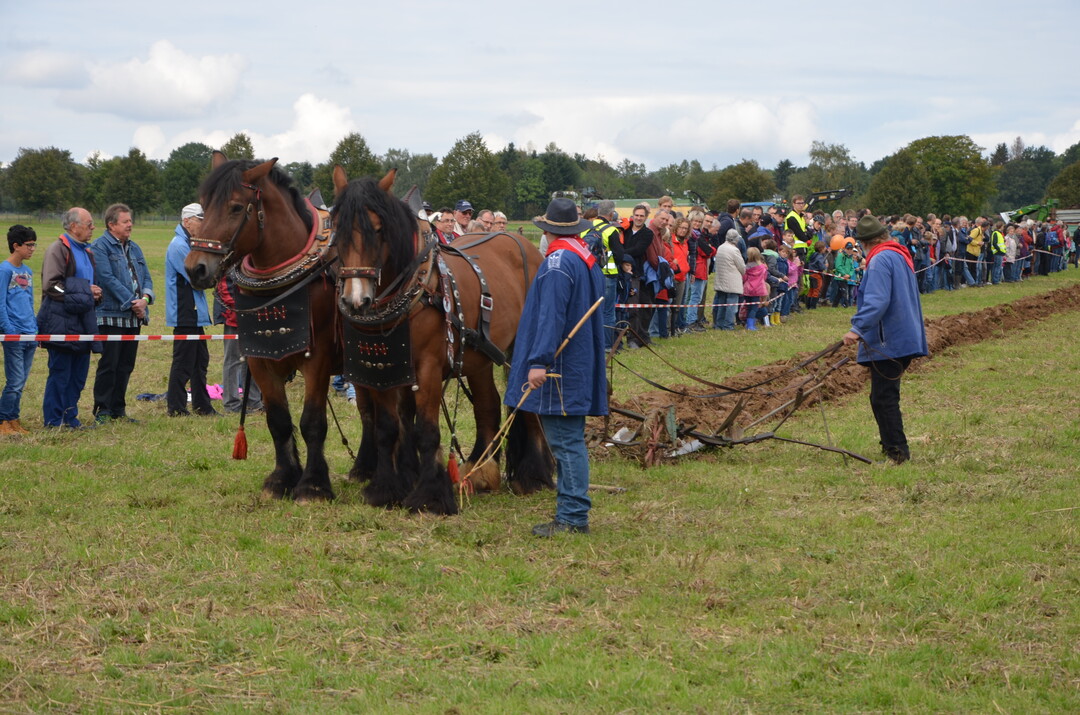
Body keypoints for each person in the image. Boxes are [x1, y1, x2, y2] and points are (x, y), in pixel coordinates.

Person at [506, 197, 606, 537]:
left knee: (564, 443)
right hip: (578, 362)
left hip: (560, 368)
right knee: (570, 440)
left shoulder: (557, 264)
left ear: (548, 230)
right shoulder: (584, 257)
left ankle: (573, 518)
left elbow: (550, 317)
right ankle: (572, 512)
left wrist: (538, 361)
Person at [842, 215, 928, 464]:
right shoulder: (899, 254)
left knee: (884, 398)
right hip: (903, 336)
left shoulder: (879, 260)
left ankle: (897, 453)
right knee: (882, 396)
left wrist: (856, 329)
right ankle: (890, 445)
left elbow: (877, 301)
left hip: (889, 340)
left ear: (867, 242)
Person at [37, 208, 102, 429]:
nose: (93, 228)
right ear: (74, 226)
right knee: (60, 375)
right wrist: (85, 291)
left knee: (78, 377)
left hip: (83, 323)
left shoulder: (88, 252)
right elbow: (52, 285)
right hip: (60, 323)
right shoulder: (58, 249)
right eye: (89, 223)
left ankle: (70, 418)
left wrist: (95, 293)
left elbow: (86, 287)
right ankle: (54, 422)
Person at [91, 203, 154, 423]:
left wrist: (144, 300)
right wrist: (132, 302)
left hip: (134, 318)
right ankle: (103, 410)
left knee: (126, 365)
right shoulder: (100, 247)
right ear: (111, 224)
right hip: (111, 315)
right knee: (109, 364)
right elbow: (107, 279)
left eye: (130, 221)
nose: (130, 225)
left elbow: (146, 276)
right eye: (125, 221)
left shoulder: (135, 248)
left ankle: (119, 409)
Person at [165, 203, 218, 417]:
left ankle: (202, 405)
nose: (203, 224)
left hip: (195, 313)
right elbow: (197, 278)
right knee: (183, 362)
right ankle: (176, 407)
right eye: (200, 219)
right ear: (187, 221)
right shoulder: (179, 245)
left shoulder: (191, 243)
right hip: (184, 312)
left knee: (199, 362)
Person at [0, 225, 38, 435]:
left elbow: (30, 301)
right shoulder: (4, 271)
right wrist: (9, 329)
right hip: (13, 334)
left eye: (34, 244)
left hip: (30, 332)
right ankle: (3, 420)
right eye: (29, 245)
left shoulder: (28, 272)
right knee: (14, 381)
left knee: (21, 381)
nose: (33, 248)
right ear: (16, 246)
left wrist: (35, 328)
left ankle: (13, 420)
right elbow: (0, 304)